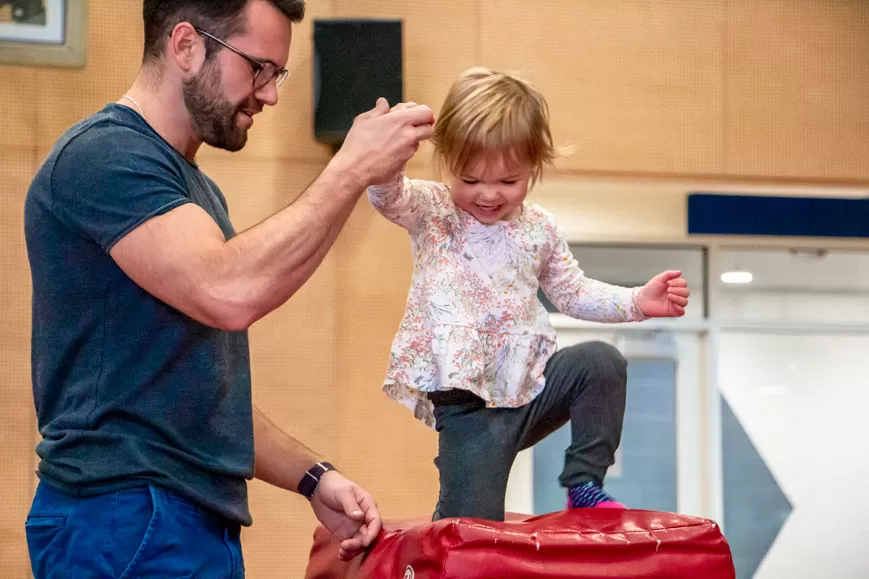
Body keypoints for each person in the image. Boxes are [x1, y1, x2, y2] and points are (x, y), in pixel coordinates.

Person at [23, 0, 435, 576]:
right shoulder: (105, 156)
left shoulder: (195, 190)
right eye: (258, 68)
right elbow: (231, 291)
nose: (268, 95)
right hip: (125, 517)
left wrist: (312, 476)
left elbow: (201, 398)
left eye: (277, 75)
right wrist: (349, 168)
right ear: (186, 46)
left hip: (181, 518)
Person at [367, 67, 690, 522]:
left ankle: (583, 483)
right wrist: (388, 155)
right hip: (468, 409)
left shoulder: (538, 228)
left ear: (534, 168)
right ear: (446, 163)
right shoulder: (434, 209)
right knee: (473, 525)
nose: (489, 194)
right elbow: (387, 197)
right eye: (471, 179)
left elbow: (573, 293)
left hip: (531, 386)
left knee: (600, 363)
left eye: (508, 181)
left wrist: (637, 301)